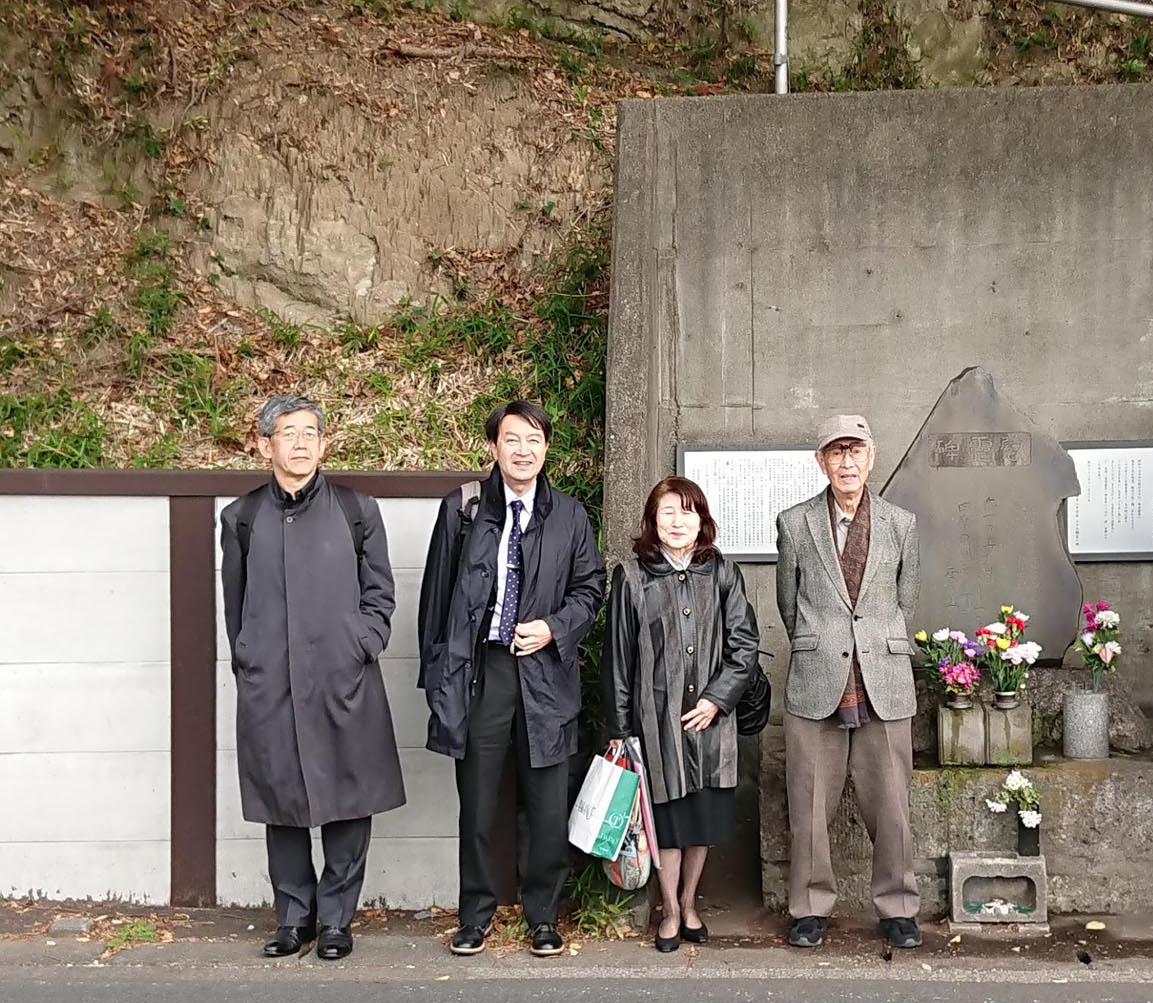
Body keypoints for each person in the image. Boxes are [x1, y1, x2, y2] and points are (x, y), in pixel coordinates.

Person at [220, 394, 406, 962]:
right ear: (264, 444)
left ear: (324, 445)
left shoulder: (356, 509)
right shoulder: (242, 517)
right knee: (281, 799)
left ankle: (335, 921)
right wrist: (249, 656)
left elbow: (381, 592)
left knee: (348, 797)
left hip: (342, 676)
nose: (300, 444)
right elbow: (236, 604)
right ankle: (291, 919)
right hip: (270, 682)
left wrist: (363, 642)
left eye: (309, 434)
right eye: (288, 433)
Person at [418, 399, 606, 959]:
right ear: (494, 447)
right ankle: (474, 914)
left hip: (546, 671)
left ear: (547, 449)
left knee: (546, 801)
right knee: (476, 799)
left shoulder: (570, 515)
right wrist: (439, 676)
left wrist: (553, 627)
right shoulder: (465, 508)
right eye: (512, 439)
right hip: (484, 671)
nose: (523, 451)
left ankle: (542, 915)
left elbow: (590, 589)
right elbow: (436, 597)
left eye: (534, 440)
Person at [774, 413, 923, 950]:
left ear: (872, 455)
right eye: (835, 452)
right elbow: (789, 605)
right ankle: (809, 908)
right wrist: (823, 643)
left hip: (883, 673)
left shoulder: (901, 523)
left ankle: (898, 907)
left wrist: (874, 643)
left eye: (855, 451)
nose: (847, 462)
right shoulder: (795, 523)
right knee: (809, 804)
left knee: (891, 802)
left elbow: (906, 601)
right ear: (821, 461)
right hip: (818, 676)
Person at [604, 477, 761, 953]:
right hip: (657, 725)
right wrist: (619, 731)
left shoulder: (724, 574)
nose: (678, 522)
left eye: (688, 512)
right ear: (653, 521)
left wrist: (717, 699)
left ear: (702, 521)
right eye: (667, 512)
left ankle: (691, 903)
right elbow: (618, 659)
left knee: (703, 823)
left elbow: (745, 644)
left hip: (713, 725)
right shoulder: (630, 577)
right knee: (667, 824)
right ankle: (669, 909)